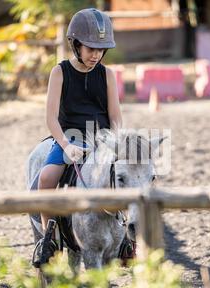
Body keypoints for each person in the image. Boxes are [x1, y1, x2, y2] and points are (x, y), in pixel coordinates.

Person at [30, 8, 130, 268]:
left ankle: (128, 238)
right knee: (46, 177)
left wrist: (114, 142)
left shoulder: (106, 75)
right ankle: (48, 238)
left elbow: (115, 115)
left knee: (131, 175)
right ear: (74, 44)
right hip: (69, 139)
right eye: (90, 48)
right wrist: (65, 145)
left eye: (100, 49)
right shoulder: (59, 72)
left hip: (102, 141)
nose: (95, 55)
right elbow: (51, 118)